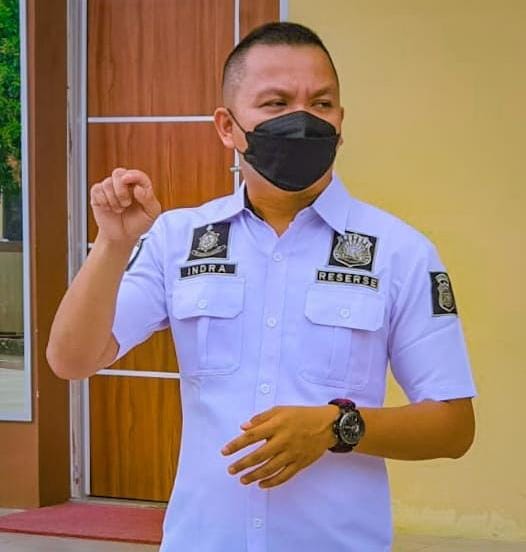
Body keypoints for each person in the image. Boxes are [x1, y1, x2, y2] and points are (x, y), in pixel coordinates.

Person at [47, 22, 476, 552]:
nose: (302, 119)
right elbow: (72, 359)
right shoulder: (179, 239)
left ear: (340, 123)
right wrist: (112, 245)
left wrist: (337, 427)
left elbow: (453, 426)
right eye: (276, 103)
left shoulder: (400, 252)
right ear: (227, 127)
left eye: (321, 103)